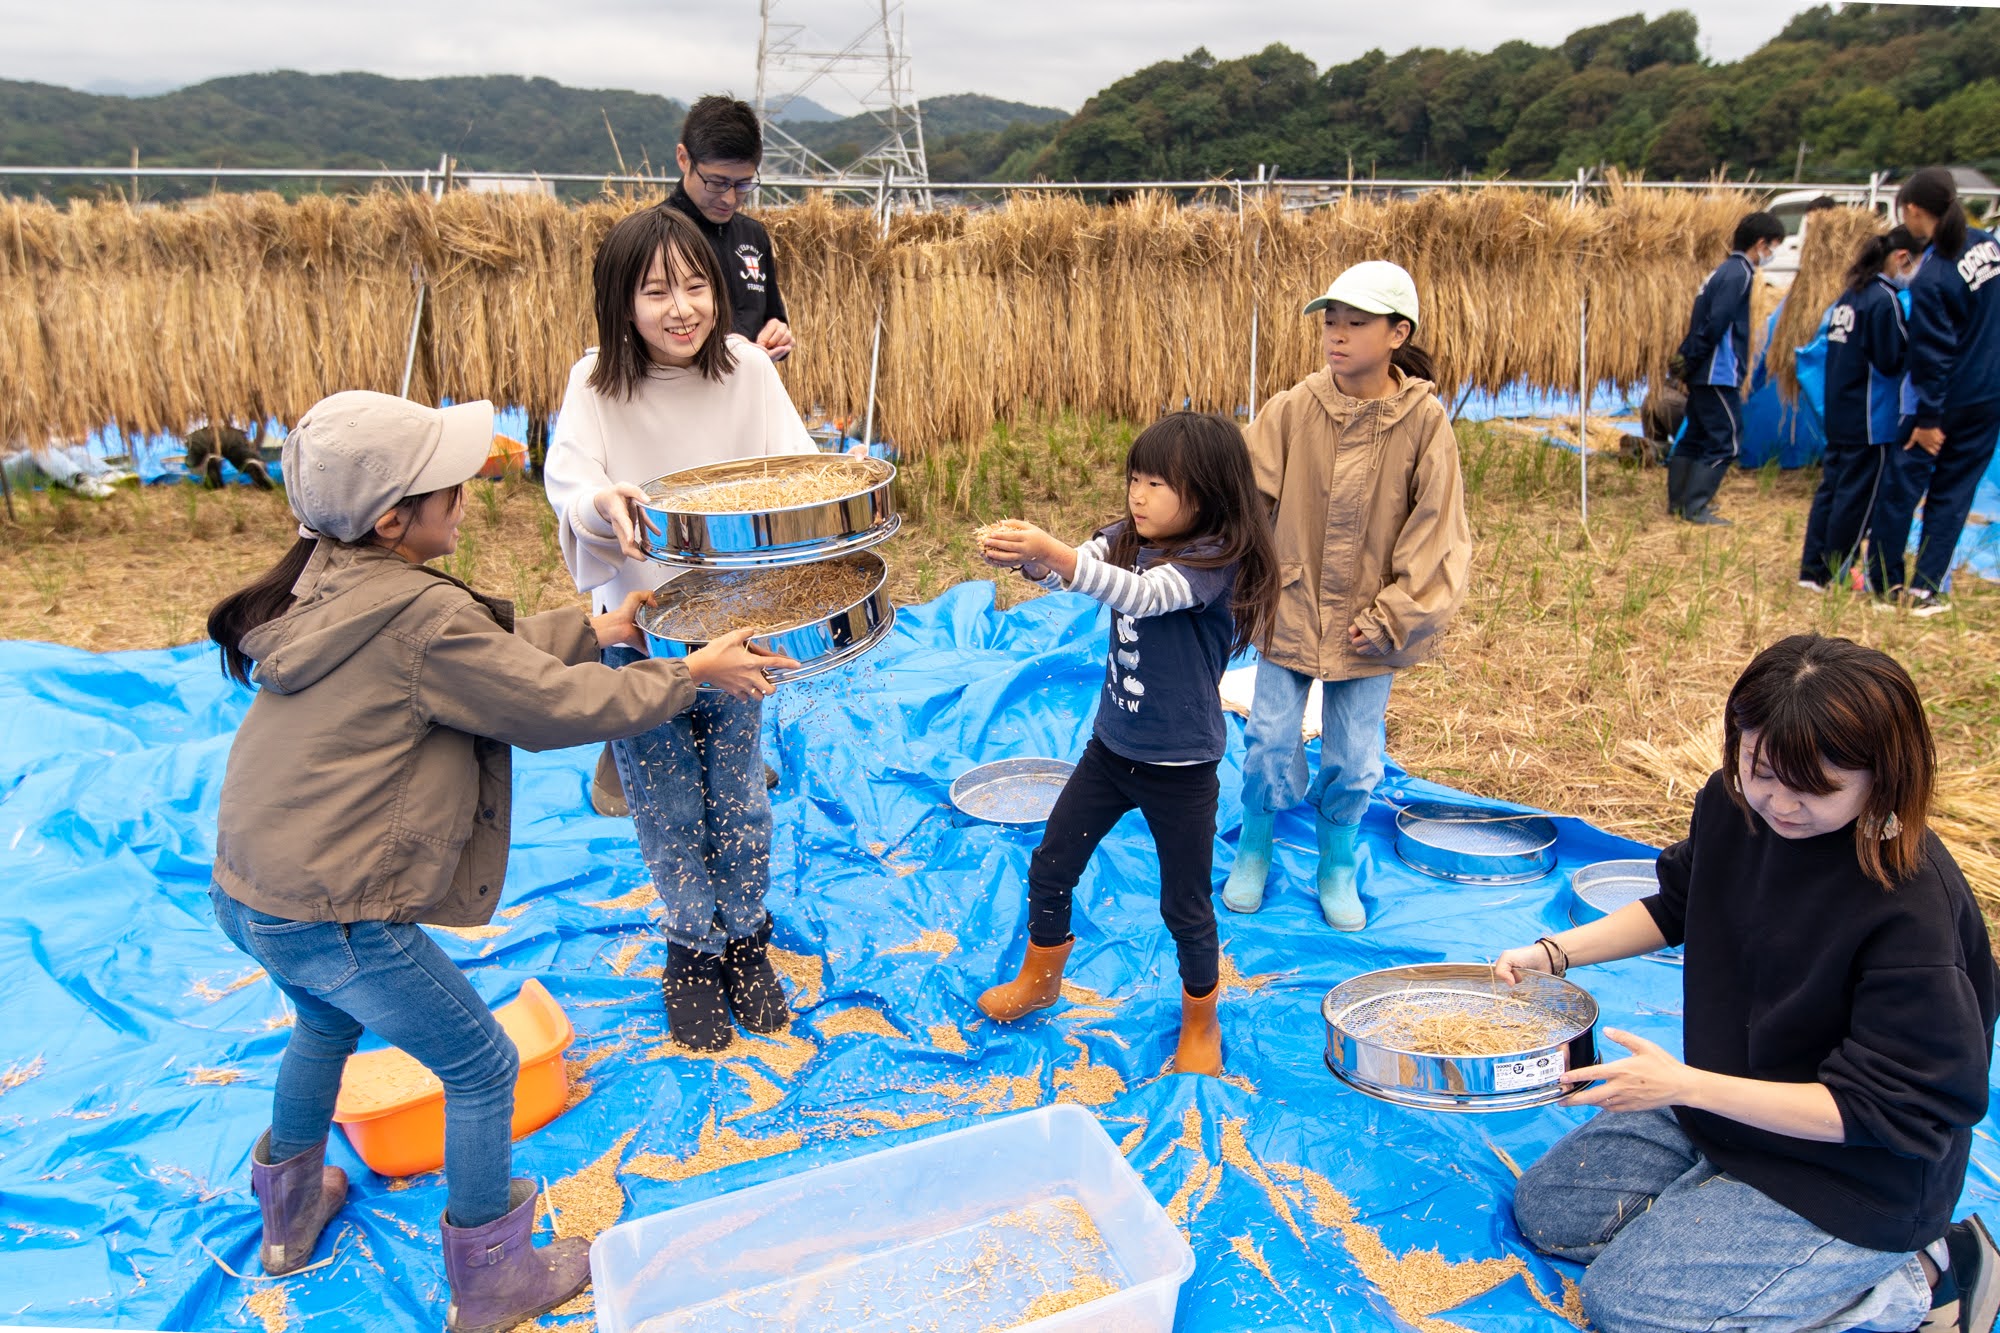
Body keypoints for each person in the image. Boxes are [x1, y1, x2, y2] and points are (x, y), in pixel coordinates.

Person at [203, 390, 777, 1331]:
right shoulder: (418, 617)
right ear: (396, 520)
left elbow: (488, 650)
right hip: (335, 914)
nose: (466, 492)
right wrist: (688, 673)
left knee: (321, 1022)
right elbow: (548, 706)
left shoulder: (331, 583)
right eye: (450, 486)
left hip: (252, 892)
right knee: (479, 1062)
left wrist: (606, 628)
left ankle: (290, 1213)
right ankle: (496, 1274)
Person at [1501, 634, 1999, 1333]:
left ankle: (1928, 1278)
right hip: (1728, 1106)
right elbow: (1677, 901)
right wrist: (1553, 952)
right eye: (1759, 769)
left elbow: (1893, 1111)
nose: (1779, 803)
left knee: (1626, 1306)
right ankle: (1722, 1214)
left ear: (1885, 777)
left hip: (1852, 1172)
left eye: (1816, 788)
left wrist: (1682, 1086)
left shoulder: (1910, 907)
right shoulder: (1735, 806)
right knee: (1549, 1214)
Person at [544, 203, 815, 1053]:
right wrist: (604, 502)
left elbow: (795, 471)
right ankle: (690, 952)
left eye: (696, 285)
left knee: (736, 790)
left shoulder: (742, 368)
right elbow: (569, 481)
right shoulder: (595, 384)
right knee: (663, 799)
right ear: (620, 301)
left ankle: (746, 940)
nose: (682, 308)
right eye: (657, 290)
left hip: (733, 627)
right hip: (638, 630)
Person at [973, 413, 1279, 1075]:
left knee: (1185, 904)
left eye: (1158, 484)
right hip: (1111, 752)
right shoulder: (1127, 537)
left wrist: (1057, 555)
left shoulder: (1210, 562)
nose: (1138, 496)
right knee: (1051, 863)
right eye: (1135, 479)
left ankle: (1201, 1018)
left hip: (1182, 768)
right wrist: (1030, 557)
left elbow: (1137, 593)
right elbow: (1077, 570)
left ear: (1204, 495)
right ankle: (1040, 980)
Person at [1220, 260, 1471, 931]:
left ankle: (1335, 862)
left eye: (1355, 323)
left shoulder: (1424, 425)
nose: (1336, 334)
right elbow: (1245, 500)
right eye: (1330, 320)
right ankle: (1255, 845)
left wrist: (1394, 616)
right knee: (1270, 739)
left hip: (1370, 624)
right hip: (1289, 608)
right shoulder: (1292, 409)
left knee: (1355, 757)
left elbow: (1438, 534)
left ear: (1397, 333)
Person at [1871, 168, 2000, 616]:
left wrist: (1927, 421)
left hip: (1945, 404)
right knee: (1955, 492)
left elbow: (1932, 356)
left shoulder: (1934, 277)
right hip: (1989, 396)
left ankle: (1884, 585)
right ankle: (1927, 591)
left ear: (1910, 210)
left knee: (1900, 489)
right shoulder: (1988, 245)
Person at [1798, 226, 1918, 593]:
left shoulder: (1851, 296)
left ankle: (1812, 570)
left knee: (1831, 492)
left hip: (1840, 414)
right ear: (1901, 257)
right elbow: (1892, 357)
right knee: (1857, 499)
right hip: (1871, 420)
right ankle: (1837, 571)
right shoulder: (1884, 299)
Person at [1669, 210, 1785, 526]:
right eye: (1773, 246)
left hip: (1703, 368)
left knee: (1695, 433)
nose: (1772, 254)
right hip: (1717, 370)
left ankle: (1679, 502)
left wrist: (1688, 358)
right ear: (1761, 243)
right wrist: (1692, 356)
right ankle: (1696, 507)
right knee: (1727, 438)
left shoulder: (1723, 270)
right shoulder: (1740, 274)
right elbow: (1716, 321)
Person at [667, 95, 792, 363]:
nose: (729, 198)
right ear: (683, 158)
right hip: (680, 395)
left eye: (743, 184)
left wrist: (777, 332)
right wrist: (727, 348)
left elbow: (772, 316)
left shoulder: (753, 236)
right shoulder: (653, 237)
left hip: (747, 394)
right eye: (716, 182)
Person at [185, 422, 275, 490]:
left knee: (195, 460)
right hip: (232, 428)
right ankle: (250, 461)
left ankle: (208, 462)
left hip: (198, 431)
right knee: (239, 454)